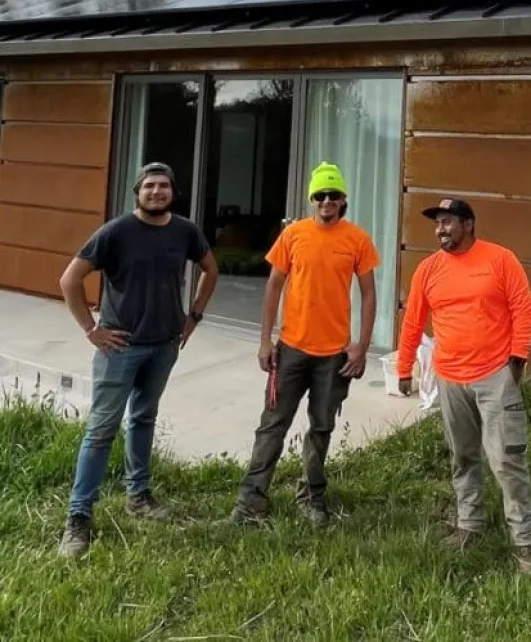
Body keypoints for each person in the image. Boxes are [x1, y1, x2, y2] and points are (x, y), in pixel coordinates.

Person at [57, 162, 219, 558]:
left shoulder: (185, 231)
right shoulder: (115, 232)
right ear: (137, 193)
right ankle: (78, 518)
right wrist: (91, 329)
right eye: (149, 186)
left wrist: (193, 316)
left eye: (164, 186)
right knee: (101, 430)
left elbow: (210, 270)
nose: (157, 192)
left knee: (144, 418)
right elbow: (69, 280)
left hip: (164, 345)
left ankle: (139, 496)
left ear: (172, 193)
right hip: (121, 347)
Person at [396, 198, 531, 574]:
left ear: (468, 224)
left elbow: (523, 309)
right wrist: (404, 367)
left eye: (448, 222)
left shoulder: (500, 260)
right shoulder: (428, 270)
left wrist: (517, 359)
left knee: (507, 459)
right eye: (438, 224)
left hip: (495, 375)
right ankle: (470, 524)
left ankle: (525, 542)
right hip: (450, 378)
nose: (440, 230)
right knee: (462, 456)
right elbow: (413, 321)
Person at [228, 161, 379, 527]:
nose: (326, 201)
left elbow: (369, 294)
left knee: (321, 427)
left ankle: (311, 496)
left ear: (343, 200)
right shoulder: (293, 235)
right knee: (272, 424)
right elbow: (273, 286)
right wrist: (266, 341)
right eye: (320, 195)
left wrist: (361, 347)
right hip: (291, 349)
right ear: (312, 199)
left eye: (333, 195)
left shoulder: (357, 239)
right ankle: (252, 500)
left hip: (334, 356)